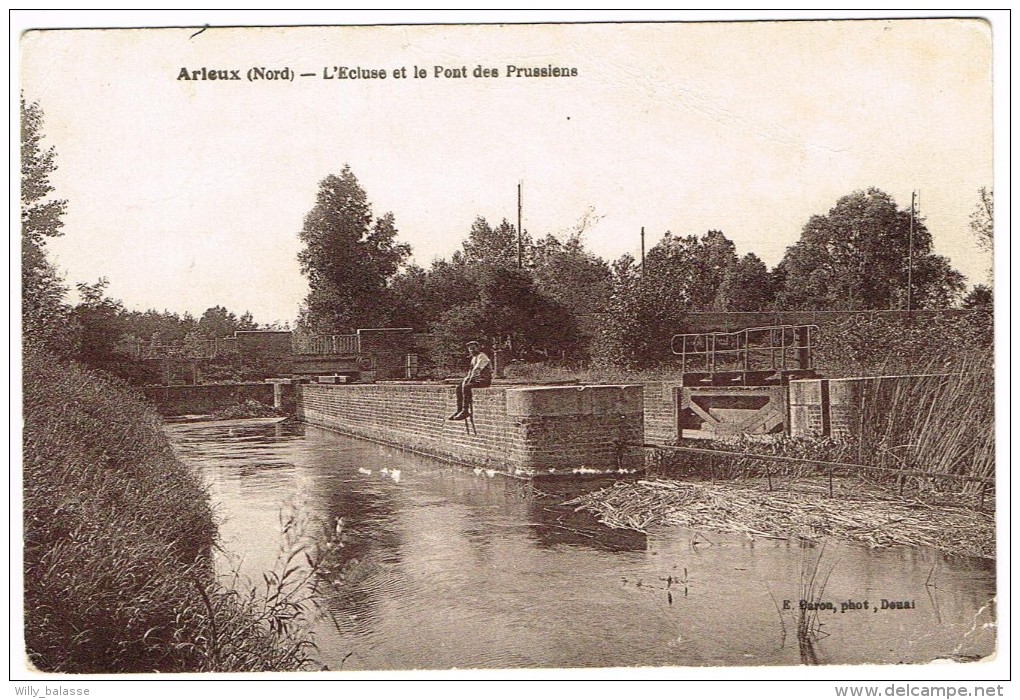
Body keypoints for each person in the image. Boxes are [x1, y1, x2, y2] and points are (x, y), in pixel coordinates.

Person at [448, 340, 492, 420]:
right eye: (470, 349)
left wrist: (469, 380)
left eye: (473, 348)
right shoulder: (473, 358)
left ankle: (465, 411)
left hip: (483, 380)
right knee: (459, 388)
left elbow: (477, 370)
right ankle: (459, 409)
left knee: (467, 387)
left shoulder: (482, 356)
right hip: (476, 379)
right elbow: (470, 371)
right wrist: (466, 379)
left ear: (478, 348)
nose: (471, 350)